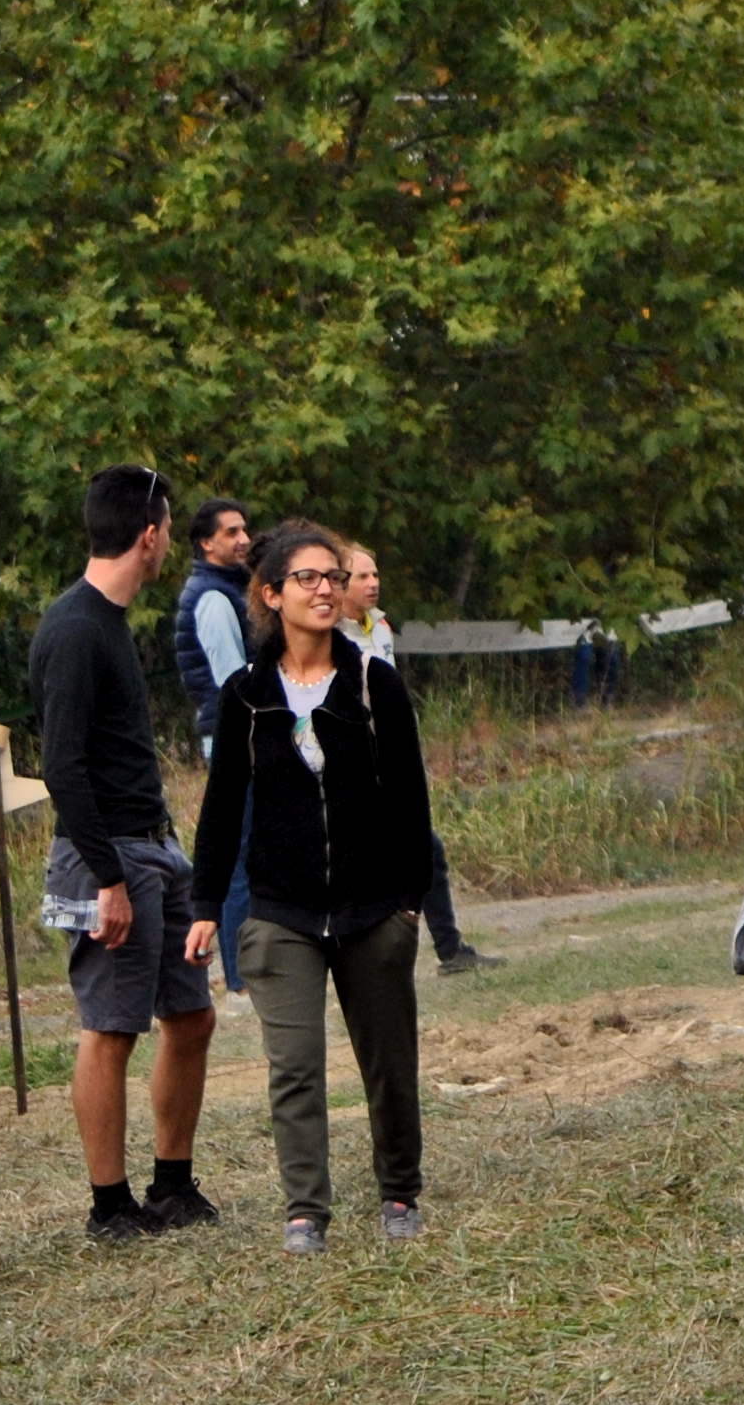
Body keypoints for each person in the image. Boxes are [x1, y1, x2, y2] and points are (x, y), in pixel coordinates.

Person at [187, 519, 439, 1255]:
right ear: (271, 594)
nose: (326, 589)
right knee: (295, 1068)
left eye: (334, 576)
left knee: (388, 1066)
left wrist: (409, 901)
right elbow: (222, 808)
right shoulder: (245, 695)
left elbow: (411, 799)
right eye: (308, 578)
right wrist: (205, 905)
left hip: (374, 910)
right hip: (281, 913)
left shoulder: (373, 683)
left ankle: (399, 1191)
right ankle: (305, 1211)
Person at [30, 464, 220, 1242]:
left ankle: (171, 1186)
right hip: (106, 858)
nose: (169, 541)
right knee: (111, 1029)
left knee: (192, 1016)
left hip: (155, 849)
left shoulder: (111, 622)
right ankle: (109, 1207)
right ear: (148, 536)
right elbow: (62, 766)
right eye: (169, 528)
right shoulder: (75, 629)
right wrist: (107, 879)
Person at [333, 533, 498, 977]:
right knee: (399, 855)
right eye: (361, 576)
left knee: (425, 850)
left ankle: (448, 949)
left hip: (389, 760)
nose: (373, 583)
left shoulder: (380, 628)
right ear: (340, 583)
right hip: (356, 766)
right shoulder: (331, 637)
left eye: (375, 574)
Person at [167, 499, 257, 994]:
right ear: (206, 543)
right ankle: (242, 974)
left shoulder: (230, 589)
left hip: (235, 734)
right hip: (233, 737)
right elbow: (231, 682)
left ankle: (251, 967)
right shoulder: (214, 599)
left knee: (248, 848)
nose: (243, 539)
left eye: (244, 530)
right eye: (231, 532)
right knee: (238, 853)